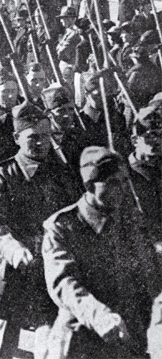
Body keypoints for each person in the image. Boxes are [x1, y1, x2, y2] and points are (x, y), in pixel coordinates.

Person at [0, 102, 81, 359]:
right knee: (4, 324)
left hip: (51, 262)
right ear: (16, 138)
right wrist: (14, 250)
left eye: (47, 136)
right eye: (33, 137)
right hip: (13, 264)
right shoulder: (2, 175)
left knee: (48, 324)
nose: (41, 143)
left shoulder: (61, 174)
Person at [42, 146, 162, 359]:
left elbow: (150, 270)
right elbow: (64, 284)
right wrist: (100, 316)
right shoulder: (63, 226)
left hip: (128, 337)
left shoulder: (131, 219)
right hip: (81, 338)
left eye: (126, 182)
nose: (123, 189)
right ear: (89, 185)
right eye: (114, 183)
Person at [127, 106, 162, 243]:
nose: (157, 142)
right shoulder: (126, 174)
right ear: (135, 141)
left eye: (160, 135)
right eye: (149, 136)